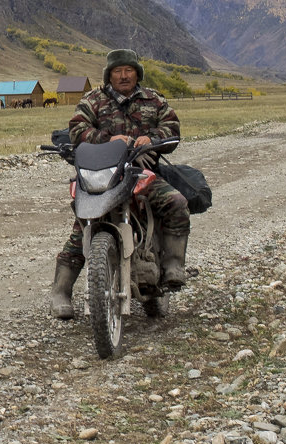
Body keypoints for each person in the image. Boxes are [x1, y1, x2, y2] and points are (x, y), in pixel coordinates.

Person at [51, 48, 191, 319]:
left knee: (176, 203)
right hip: (102, 175)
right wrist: (107, 139)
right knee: (83, 225)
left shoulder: (154, 100)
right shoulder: (92, 100)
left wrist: (152, 138)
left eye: (129, 70)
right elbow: (77, 130)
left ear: (137, 73)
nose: (124, 76)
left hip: (142, 173)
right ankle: (61, 292)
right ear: (109, 75)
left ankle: (173, 266)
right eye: (118, 71)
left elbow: (172, 128)